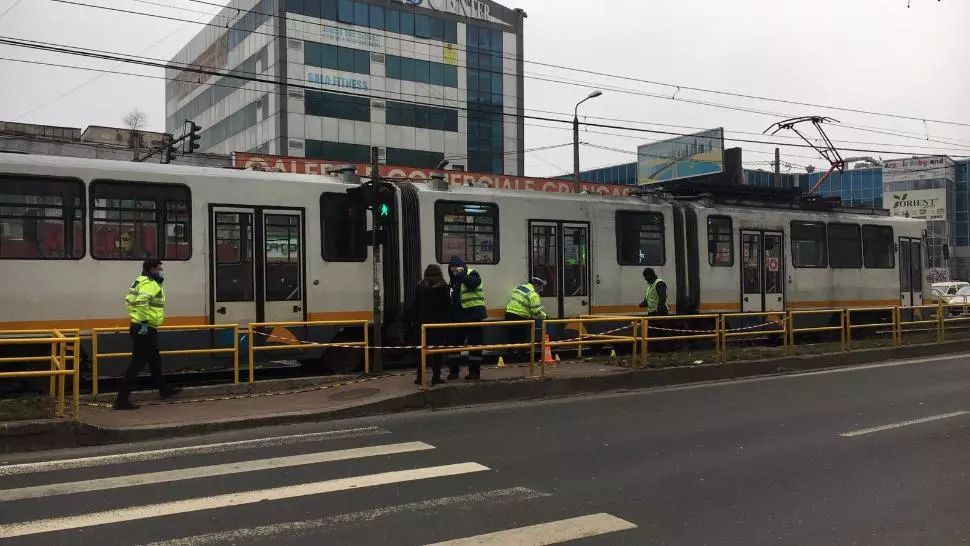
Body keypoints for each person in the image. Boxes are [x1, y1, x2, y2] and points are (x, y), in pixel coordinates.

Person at [114, 259, 180, 410]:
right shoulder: (150, 283)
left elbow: (129, 300)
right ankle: (121, 400)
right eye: (159, 268)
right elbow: (142, 301)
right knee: (137, 363)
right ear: (151, 269)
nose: (161, 270)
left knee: (155, 360)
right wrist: (143, 322)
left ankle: (164, 390)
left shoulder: (139, 281)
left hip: (141, 326)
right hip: (145, 328)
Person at [408, 264, 452, 385]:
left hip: (422, 324)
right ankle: (436, 376)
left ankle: (420, 377)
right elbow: (447, 306)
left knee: (422, 351)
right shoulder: (443, 287)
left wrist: (412, 320)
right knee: (436, 352)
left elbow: (415, 305)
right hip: (437, 325)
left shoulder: (420, 287)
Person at [447, 255, 486, 380]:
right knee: (454, 346)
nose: (454, 271)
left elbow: (473, 284)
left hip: (473, 316)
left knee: (475, 346)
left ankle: (474, 373)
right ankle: (453, 372)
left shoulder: (472, 273)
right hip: (458, 318)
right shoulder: (453, 281)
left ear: (462, 267)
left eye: (456, 268)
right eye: (452, 269)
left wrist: (461, 274)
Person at [505, 277, 548, 352]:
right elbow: (536, 311)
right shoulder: (533, 294)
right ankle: (522, 356)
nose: (540, 290)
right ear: (537, 286)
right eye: (540, 287)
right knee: (522, 339)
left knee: (511, 338)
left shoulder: (521, 287)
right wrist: (545, 316)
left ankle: (510, 356)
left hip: (509, 314)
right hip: (520, 317)